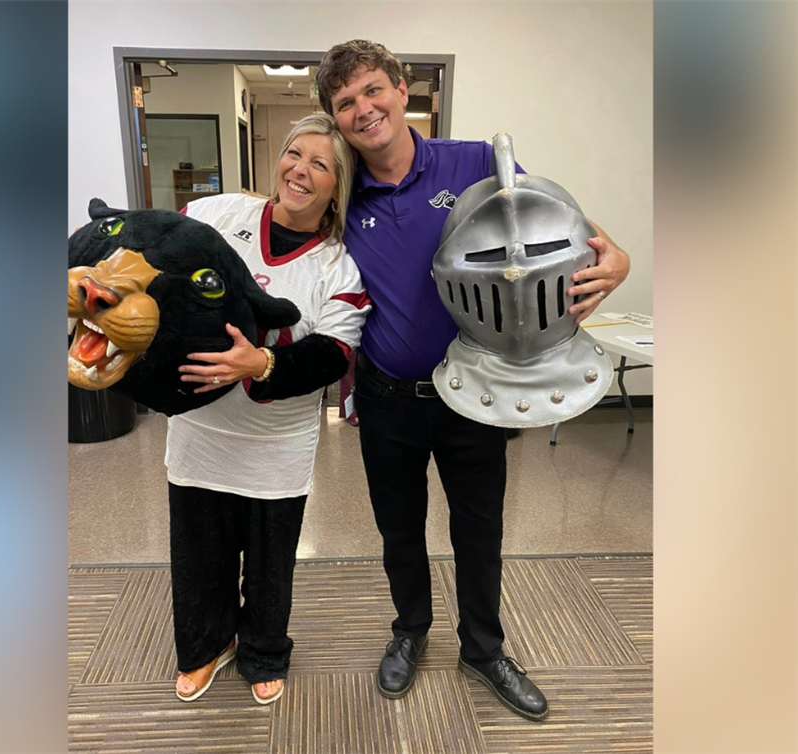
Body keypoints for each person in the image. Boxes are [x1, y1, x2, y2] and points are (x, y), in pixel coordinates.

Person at [316, 40, 630, 721]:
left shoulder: (474, 161)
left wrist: (619, 259)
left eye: (373, 90)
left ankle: (484, 650)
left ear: (401, 90)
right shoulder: (342, 190)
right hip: (386, 396)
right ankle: (410, 632)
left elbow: (560, 225)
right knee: (398, 531)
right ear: (336, 119)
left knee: (479, 532)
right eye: (345, 102)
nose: (363, 109)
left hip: (477, 392)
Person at [166, 113, 371, 705]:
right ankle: (206, 645)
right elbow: (160, 253)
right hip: (200, 430)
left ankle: (262, 649)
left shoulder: (338, 265)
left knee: (269, 558)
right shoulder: (218, 214)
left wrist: (260, 363)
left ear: (338, 186)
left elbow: (333, 353)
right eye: (293, 154)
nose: (299, 171)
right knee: (199, 550)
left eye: (320, 164)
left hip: (276, 443)